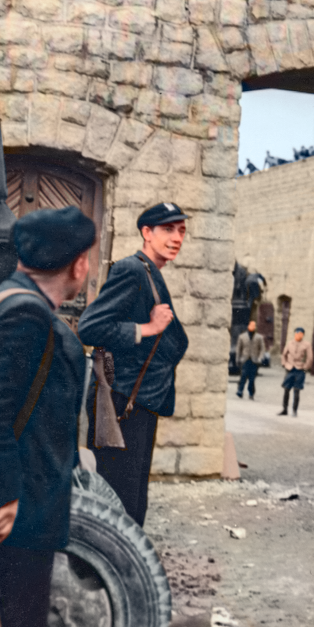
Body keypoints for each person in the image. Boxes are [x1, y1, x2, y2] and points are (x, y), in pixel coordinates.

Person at [0, 206, 93, 627]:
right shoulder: (26, 314)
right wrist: (5, 495)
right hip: (15, 518)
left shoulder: (12, 298)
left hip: (19, 511)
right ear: (79, 264)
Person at [78, 202, 190, 528]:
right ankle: (107, 571)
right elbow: (90, 327)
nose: (177, 238)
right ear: (146, 233)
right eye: (168, 230)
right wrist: (147, 329)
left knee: (133, 500)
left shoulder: (149, 273)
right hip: (122, 404)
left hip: (138, 401)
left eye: (181, 231)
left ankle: (122, 571)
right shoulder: (132, 270)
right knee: (120, 500)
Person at [279, 327, 312, 416]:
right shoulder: (290, 343)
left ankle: (294, 410)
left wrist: (305, 367)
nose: (298, 335)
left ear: (303, 335)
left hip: (300, 370)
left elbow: (309, 358)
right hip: (289, 369)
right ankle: (284, 409)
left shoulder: (306, 344)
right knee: (286, 389)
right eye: (296, 333)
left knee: (296, 390)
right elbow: (284, 355)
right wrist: (284, 364)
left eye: (300, 334)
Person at [235, 319, 265, 400]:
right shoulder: (242, 336)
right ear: (248, 326)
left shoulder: (259, 337)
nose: (252, 327)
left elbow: (262, 349)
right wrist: (237, 359)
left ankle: (251, 393)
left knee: (252, 378)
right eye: (251, 325)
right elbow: (238, 349)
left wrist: (260, 358)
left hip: (254, 360)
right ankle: (240, 391)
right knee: (243, 376)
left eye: (254, 326)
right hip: (245, 359)